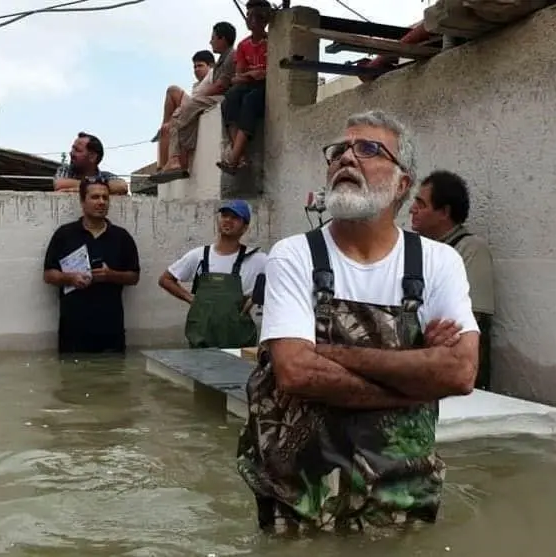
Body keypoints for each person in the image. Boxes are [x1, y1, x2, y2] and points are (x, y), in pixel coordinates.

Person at [236, 110, 480, 534]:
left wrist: (329, 353)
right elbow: (296, 371)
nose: (346, 158)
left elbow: (460, 372)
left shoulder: (439, 262)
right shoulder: (294, 255)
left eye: (368, 149)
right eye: (339, 150)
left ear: (402, 183)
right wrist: (415, 382)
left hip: (401, 497)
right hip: (298, 498)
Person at [410, 170, 495, 389]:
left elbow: (463, 327)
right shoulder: (417, 251)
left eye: (421, 204)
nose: (412, 209)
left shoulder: (471, 250)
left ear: (444, 212)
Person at [43, 178, 140, 354]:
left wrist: (110, 275)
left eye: (105, 197)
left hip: (111, 331)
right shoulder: (65, 234)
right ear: (82, 201)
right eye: (95, 197)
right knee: (71, 372)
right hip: (73, 332)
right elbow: (49, 275)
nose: (101, 202)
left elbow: (134, 277)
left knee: (114, 371)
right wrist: (71, 278)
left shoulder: (121, 237)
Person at [158, 200, 267, 348]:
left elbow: (280, 280)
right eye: (224, 215)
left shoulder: (257, 259)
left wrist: (253, 300)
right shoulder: (199, 255)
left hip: (239, 340)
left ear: (245, 227)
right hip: (201, 341)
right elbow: (165, 279)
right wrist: (192, 299)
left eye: (235, 217)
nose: (228, 220)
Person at [151, 22, 238, 184]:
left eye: (213, 38)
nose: (211, 42)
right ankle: (177, 159)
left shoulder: (231, 56)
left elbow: (221, 86)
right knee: (182, 114)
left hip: (225, 98)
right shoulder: (222, 59)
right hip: (216, 97)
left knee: (183, 110)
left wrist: (197, 97)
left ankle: (176, 159)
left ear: (222, 39)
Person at [217, 1, 271, 176]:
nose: (251, 20)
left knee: (250, 100)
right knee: (230, 98)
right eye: (249, 15)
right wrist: (253, 74)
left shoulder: (272, 41)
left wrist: (256, 74)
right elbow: (237, 76)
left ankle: (234, 157)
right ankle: (240, 156)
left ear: (265, 19)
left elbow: (270, 73)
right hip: (249, 84)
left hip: (266, 88)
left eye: (256, 15)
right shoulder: (243, 45)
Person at [152, 50, 216, 171]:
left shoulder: (213, 74)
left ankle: (173, 159)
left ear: (210, 65)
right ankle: (163, 163)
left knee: (173, 91)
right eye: (194, 67)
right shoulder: (197, 85)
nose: (196, 69)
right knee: (166, 127)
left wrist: (181, 110)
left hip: (202, 104)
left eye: (200, 66)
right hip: (195, 105)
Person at [53, 132, 128, 195]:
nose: (71, 153)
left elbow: (122, 186)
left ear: (92, 157)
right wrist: (99, 189)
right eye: (72, 148)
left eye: (77, 150)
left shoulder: (105, 176)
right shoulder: (66, 171)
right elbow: (59, 184)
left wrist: (81, 189)